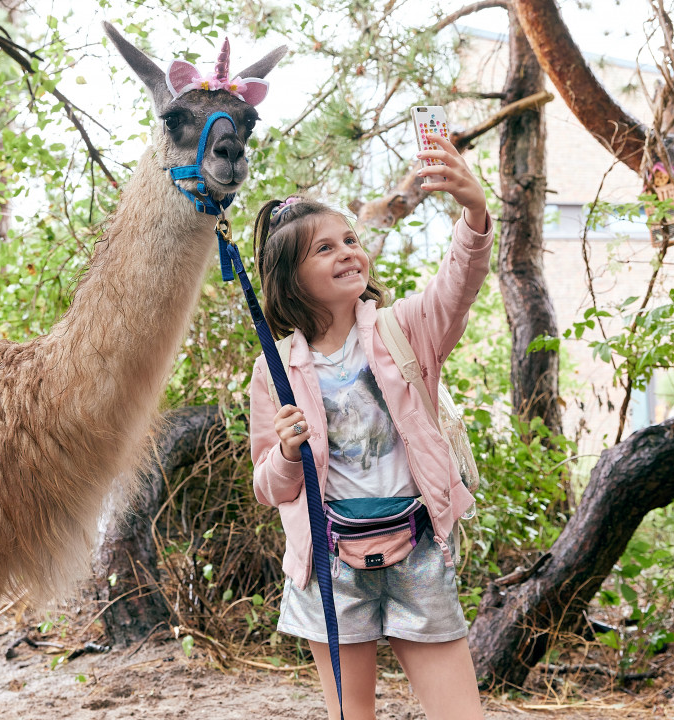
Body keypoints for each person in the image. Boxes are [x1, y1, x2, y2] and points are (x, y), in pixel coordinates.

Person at [249, 132, 492, 720]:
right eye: (324, 248)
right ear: (289, 277)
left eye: (350, 240)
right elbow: (271, 488)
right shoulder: (274, 367)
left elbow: (458, 284)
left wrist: (475, 210)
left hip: (417, 549)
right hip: (328, 562)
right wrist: (284, 452)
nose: (347, 252)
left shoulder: (406, 328)